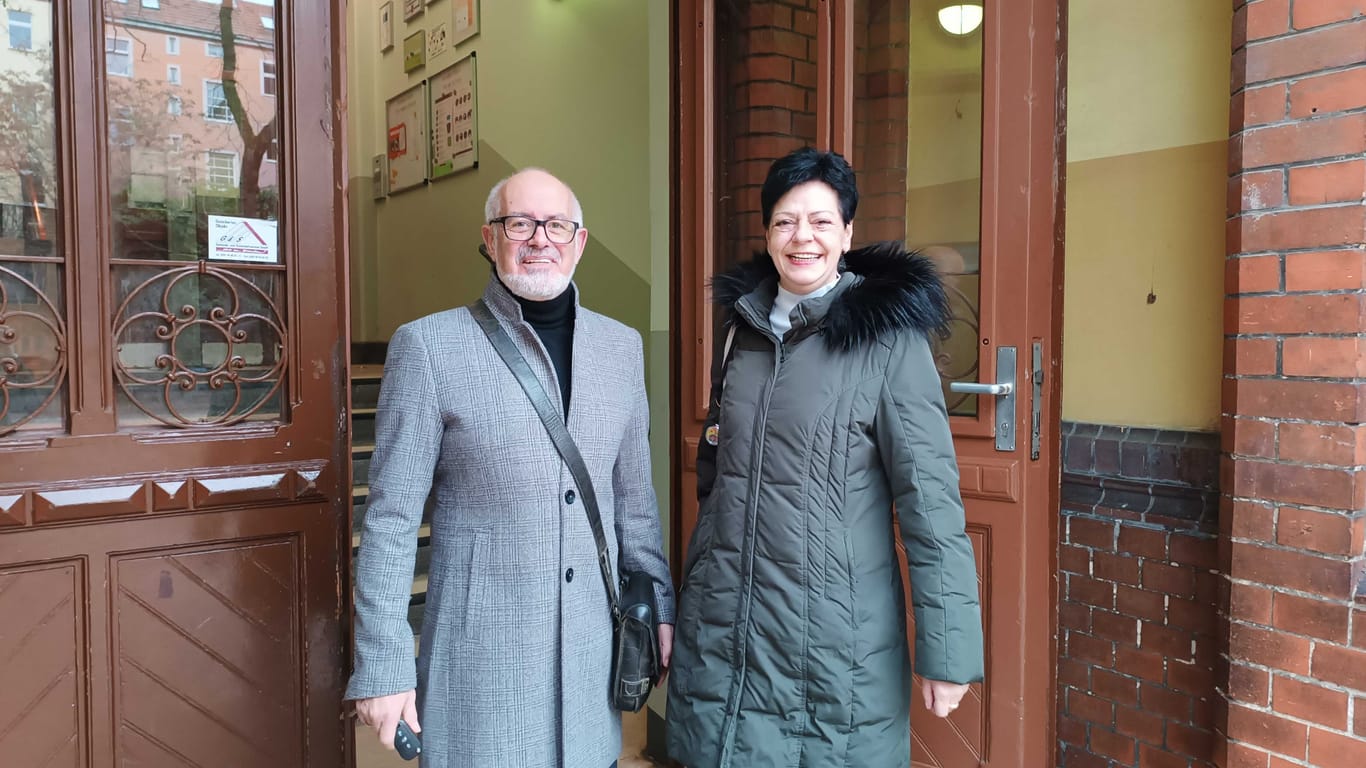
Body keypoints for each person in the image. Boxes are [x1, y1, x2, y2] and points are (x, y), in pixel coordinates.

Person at [346, 168, 675, 768]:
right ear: (490, 238)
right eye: (518, 222)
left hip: (588, 657)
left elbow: (634, 500)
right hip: (479, 660)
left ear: (579, 241)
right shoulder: (428, 348)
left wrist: (661, 608)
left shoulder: (621, 348)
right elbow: (391, 520)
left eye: (556, 225)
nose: (538, 239)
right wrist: (383, 663)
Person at [666, 147, 984, 766]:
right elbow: (716, 469)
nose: (801, 237)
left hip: (832, 641)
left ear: (847, 234)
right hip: (726, 620)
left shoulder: (888, 340)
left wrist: (948, 653)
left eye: (820, 221)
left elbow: (931, 502)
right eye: (785, 221)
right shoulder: (742, 328)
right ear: (766, 233)